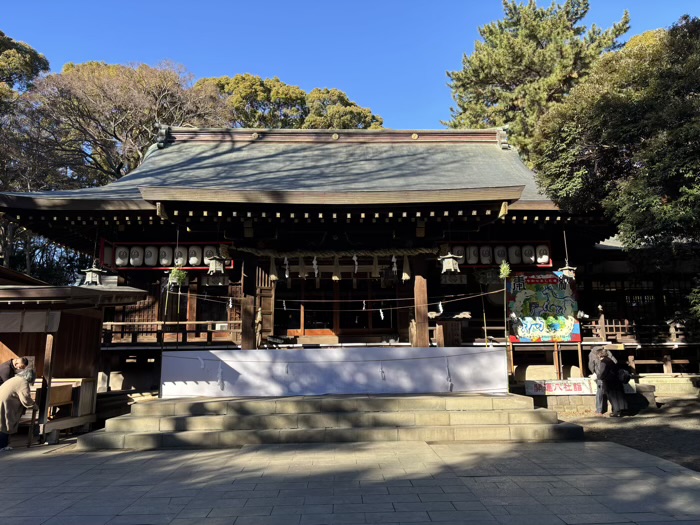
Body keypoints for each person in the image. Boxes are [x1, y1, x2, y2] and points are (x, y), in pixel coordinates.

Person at [0, 368, 37, 450]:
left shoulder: (15, 379)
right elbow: (26, 397)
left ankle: (4, 444)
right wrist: (34, 405)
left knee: (3, 423)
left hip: (3, 402)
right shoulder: (23, 382)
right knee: (5, 424)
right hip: (6, 404)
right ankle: (2, 446)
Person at [596, 348, 628, 417]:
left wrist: (598, 377)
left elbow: (602, 372)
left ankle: (616, 412)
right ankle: (620, 411)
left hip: (609, 382)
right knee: (618, 396)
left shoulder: (603, 362)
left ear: (599, 355)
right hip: (616, 380)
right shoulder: (610, 360)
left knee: (612, 397)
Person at [587, 346, 616, 416]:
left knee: (600, 393)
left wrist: (594, 372)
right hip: (610, 375)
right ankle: (615, 410)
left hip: (600, 375)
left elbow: (591, 365)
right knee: (611, 392)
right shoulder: (607, 351)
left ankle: (599, 411)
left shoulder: (592, 353)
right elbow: (615, 361)